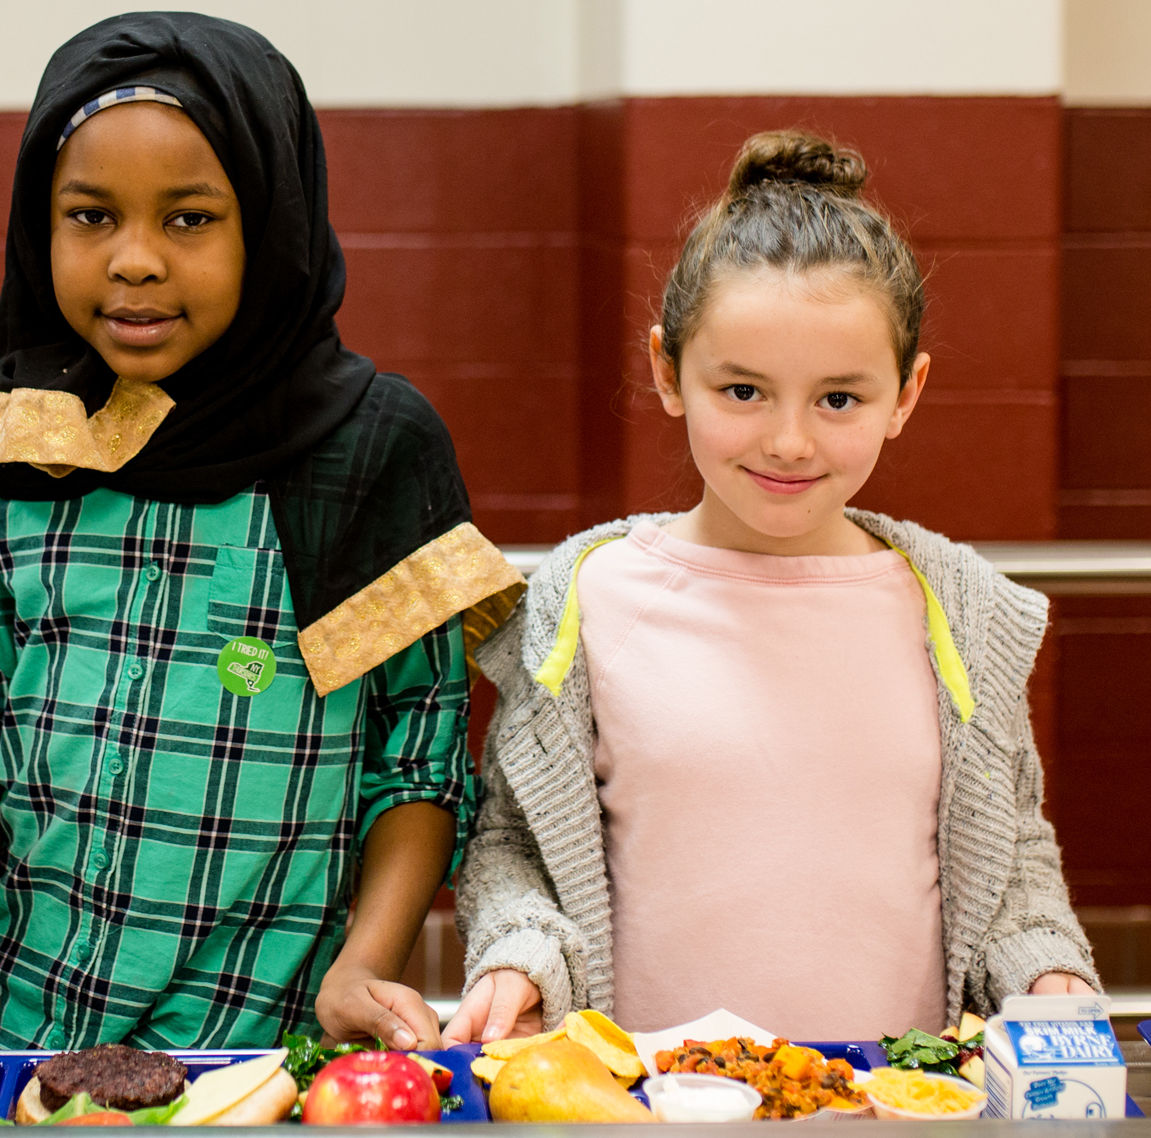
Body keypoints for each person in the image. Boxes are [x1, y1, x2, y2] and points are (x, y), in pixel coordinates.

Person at [0, 13, 526, 1053]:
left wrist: (363, 967)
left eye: (188, 220)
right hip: (32, 1039)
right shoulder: (13, 438)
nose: (133, 261)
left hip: (273, 1050)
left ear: (269, 225)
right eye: (89, 217)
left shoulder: (368, 448)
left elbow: (415, 763)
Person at [445, 131, 1101, 1046]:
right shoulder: (585, 599)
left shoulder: (960, 611)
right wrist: (520, 952)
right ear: (667, 371)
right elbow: (513, 846)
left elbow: (1013, 852)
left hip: (891, 1100)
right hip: (659, 1101)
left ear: (906, 395)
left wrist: (1045, 963)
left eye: (839, 400)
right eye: (744, 391)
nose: (789, 441)